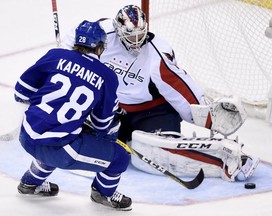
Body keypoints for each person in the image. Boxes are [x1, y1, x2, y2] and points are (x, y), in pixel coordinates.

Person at [63, 5, 259, 182]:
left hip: (152, 112)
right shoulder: (101, 33)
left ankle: (227, 159)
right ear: (119, 29)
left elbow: (180, 90)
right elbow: (71, 43)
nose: (137, 42)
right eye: (131, 36)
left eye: (140, 35)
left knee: (156, 154)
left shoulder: (157, 54)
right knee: (78, 131)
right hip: (112, 109)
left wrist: (207, 116)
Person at [14, 20, 132, 211]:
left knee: (55, 136)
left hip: (26, 135)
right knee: (120, 157)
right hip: (61, 150)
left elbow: (20, 93)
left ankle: (30, 182)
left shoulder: (56, 55)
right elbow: (102, 126)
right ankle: (103, 193)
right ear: (101, 47)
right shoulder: (107, 76)